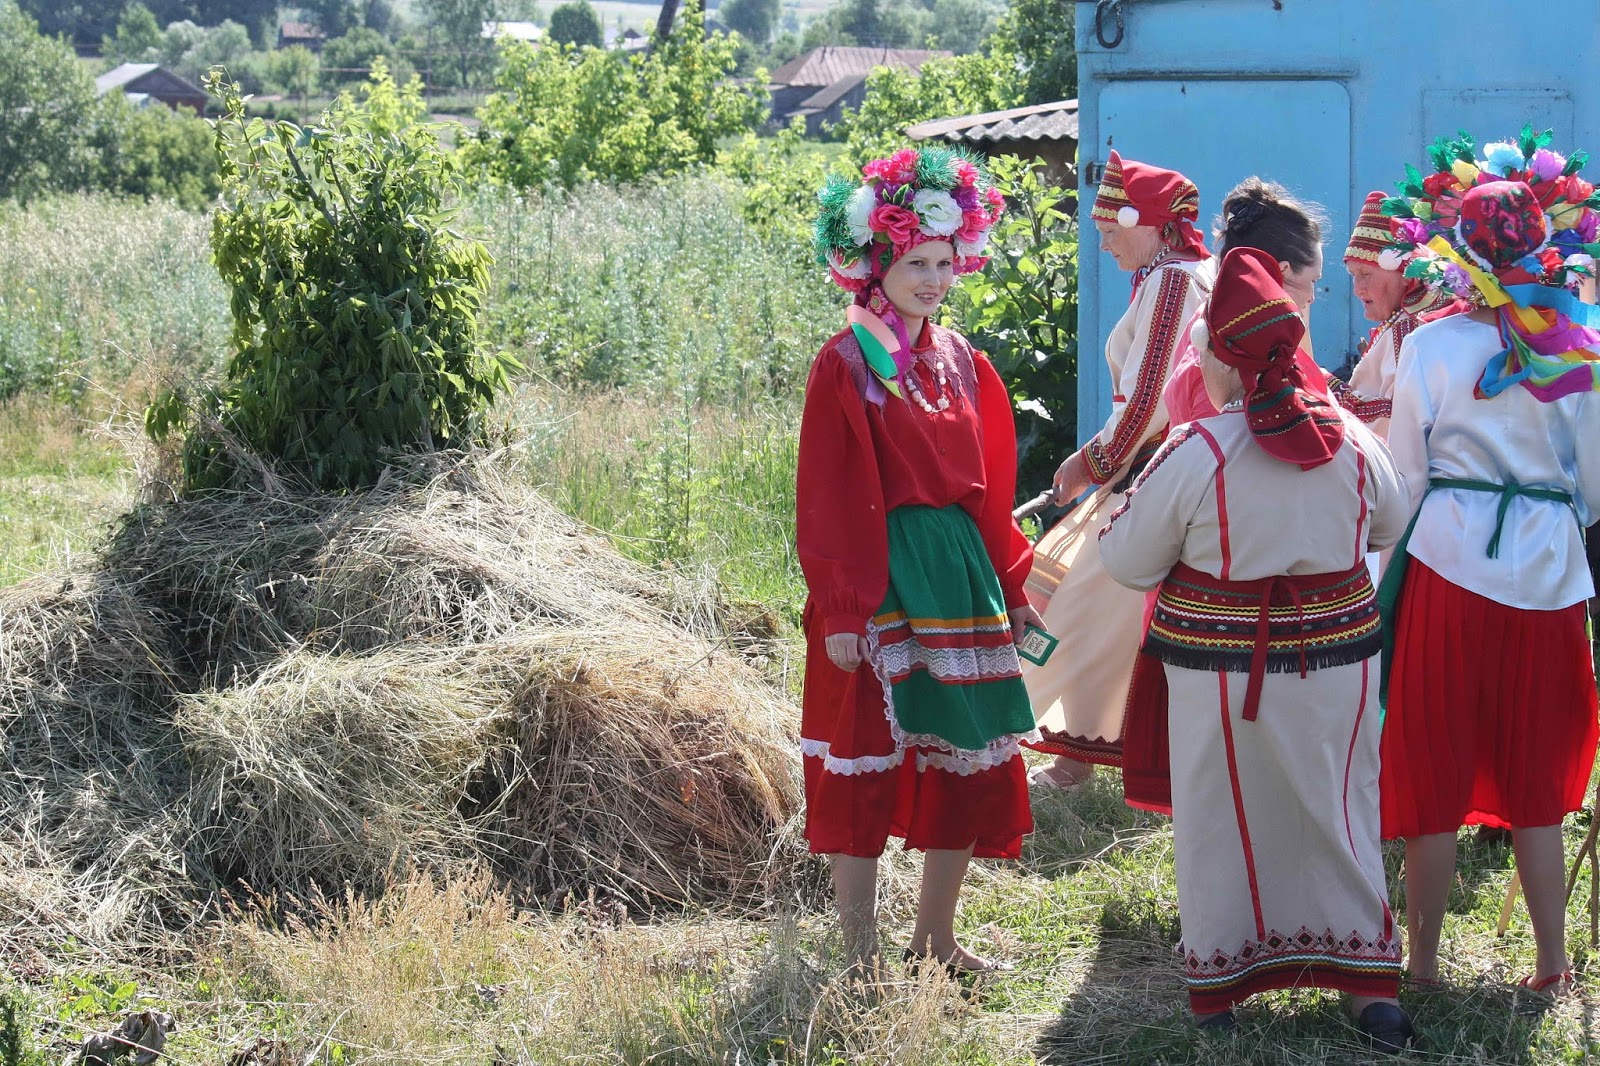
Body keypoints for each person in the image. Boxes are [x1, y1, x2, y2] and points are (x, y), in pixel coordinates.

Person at [1099, 246, 1414, 1050]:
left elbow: (1128, 559)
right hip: (1338, 659)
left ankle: (1223, 986)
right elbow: (1388, 520)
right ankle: (1366, 985)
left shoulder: (1198, 449)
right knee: (1339, 802)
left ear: (1222, 360)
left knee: (1220, 816)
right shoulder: (1346, 435)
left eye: (1202, 345)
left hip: (1220, 668)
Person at [797, 146, 1043, 978]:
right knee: (865, 759)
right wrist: (840, 608)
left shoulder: (966, 363)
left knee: (966, 764)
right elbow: (829, 490)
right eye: (915, 262)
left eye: (945, 262)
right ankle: (860, 951)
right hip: (879, 577)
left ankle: (935, 941)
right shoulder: (845, 363)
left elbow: (993, 489)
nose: (934, 279)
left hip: (959, 576)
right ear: (875, 263)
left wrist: (1012, 583)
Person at [1376, 132, 1600, 996]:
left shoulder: (1429, 347)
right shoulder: (1577, 344)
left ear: (1457, 257)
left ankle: (1422, 967)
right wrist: (1553, 521)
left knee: (1433, 755)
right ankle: (1553, 965)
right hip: (1549, 576)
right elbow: (1593, 481)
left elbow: (1403, 477)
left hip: (1447, 563)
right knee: (1537, 766)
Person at [1124, 178, 1330, 812]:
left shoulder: (1209, 339)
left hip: (1198, 574)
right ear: (1286, 274)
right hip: (1249, 584)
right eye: (1313, 285)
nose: (1314, 300)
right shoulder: (1265, 353)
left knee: (1212, 763)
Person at [1024, 151, 1214, 790]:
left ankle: (1061, 751)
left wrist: (1093, 463)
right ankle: (1080, 752)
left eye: (1111, 229)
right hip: (1157, 471)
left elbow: (1149, 396)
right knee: (1095, 606)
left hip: (1146, 473)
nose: (1102, 242)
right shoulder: (1187, 274)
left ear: (1154, 225)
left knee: (1072, 601)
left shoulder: (1172, 282)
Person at [1334, 190, 1457, 436]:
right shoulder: (1413, 316)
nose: (1358, 289)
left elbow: (1396, 419)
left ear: (1404, 274)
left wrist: (1327, 388)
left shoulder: (1411, 328)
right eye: (1353, 276)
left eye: (1366, 274)